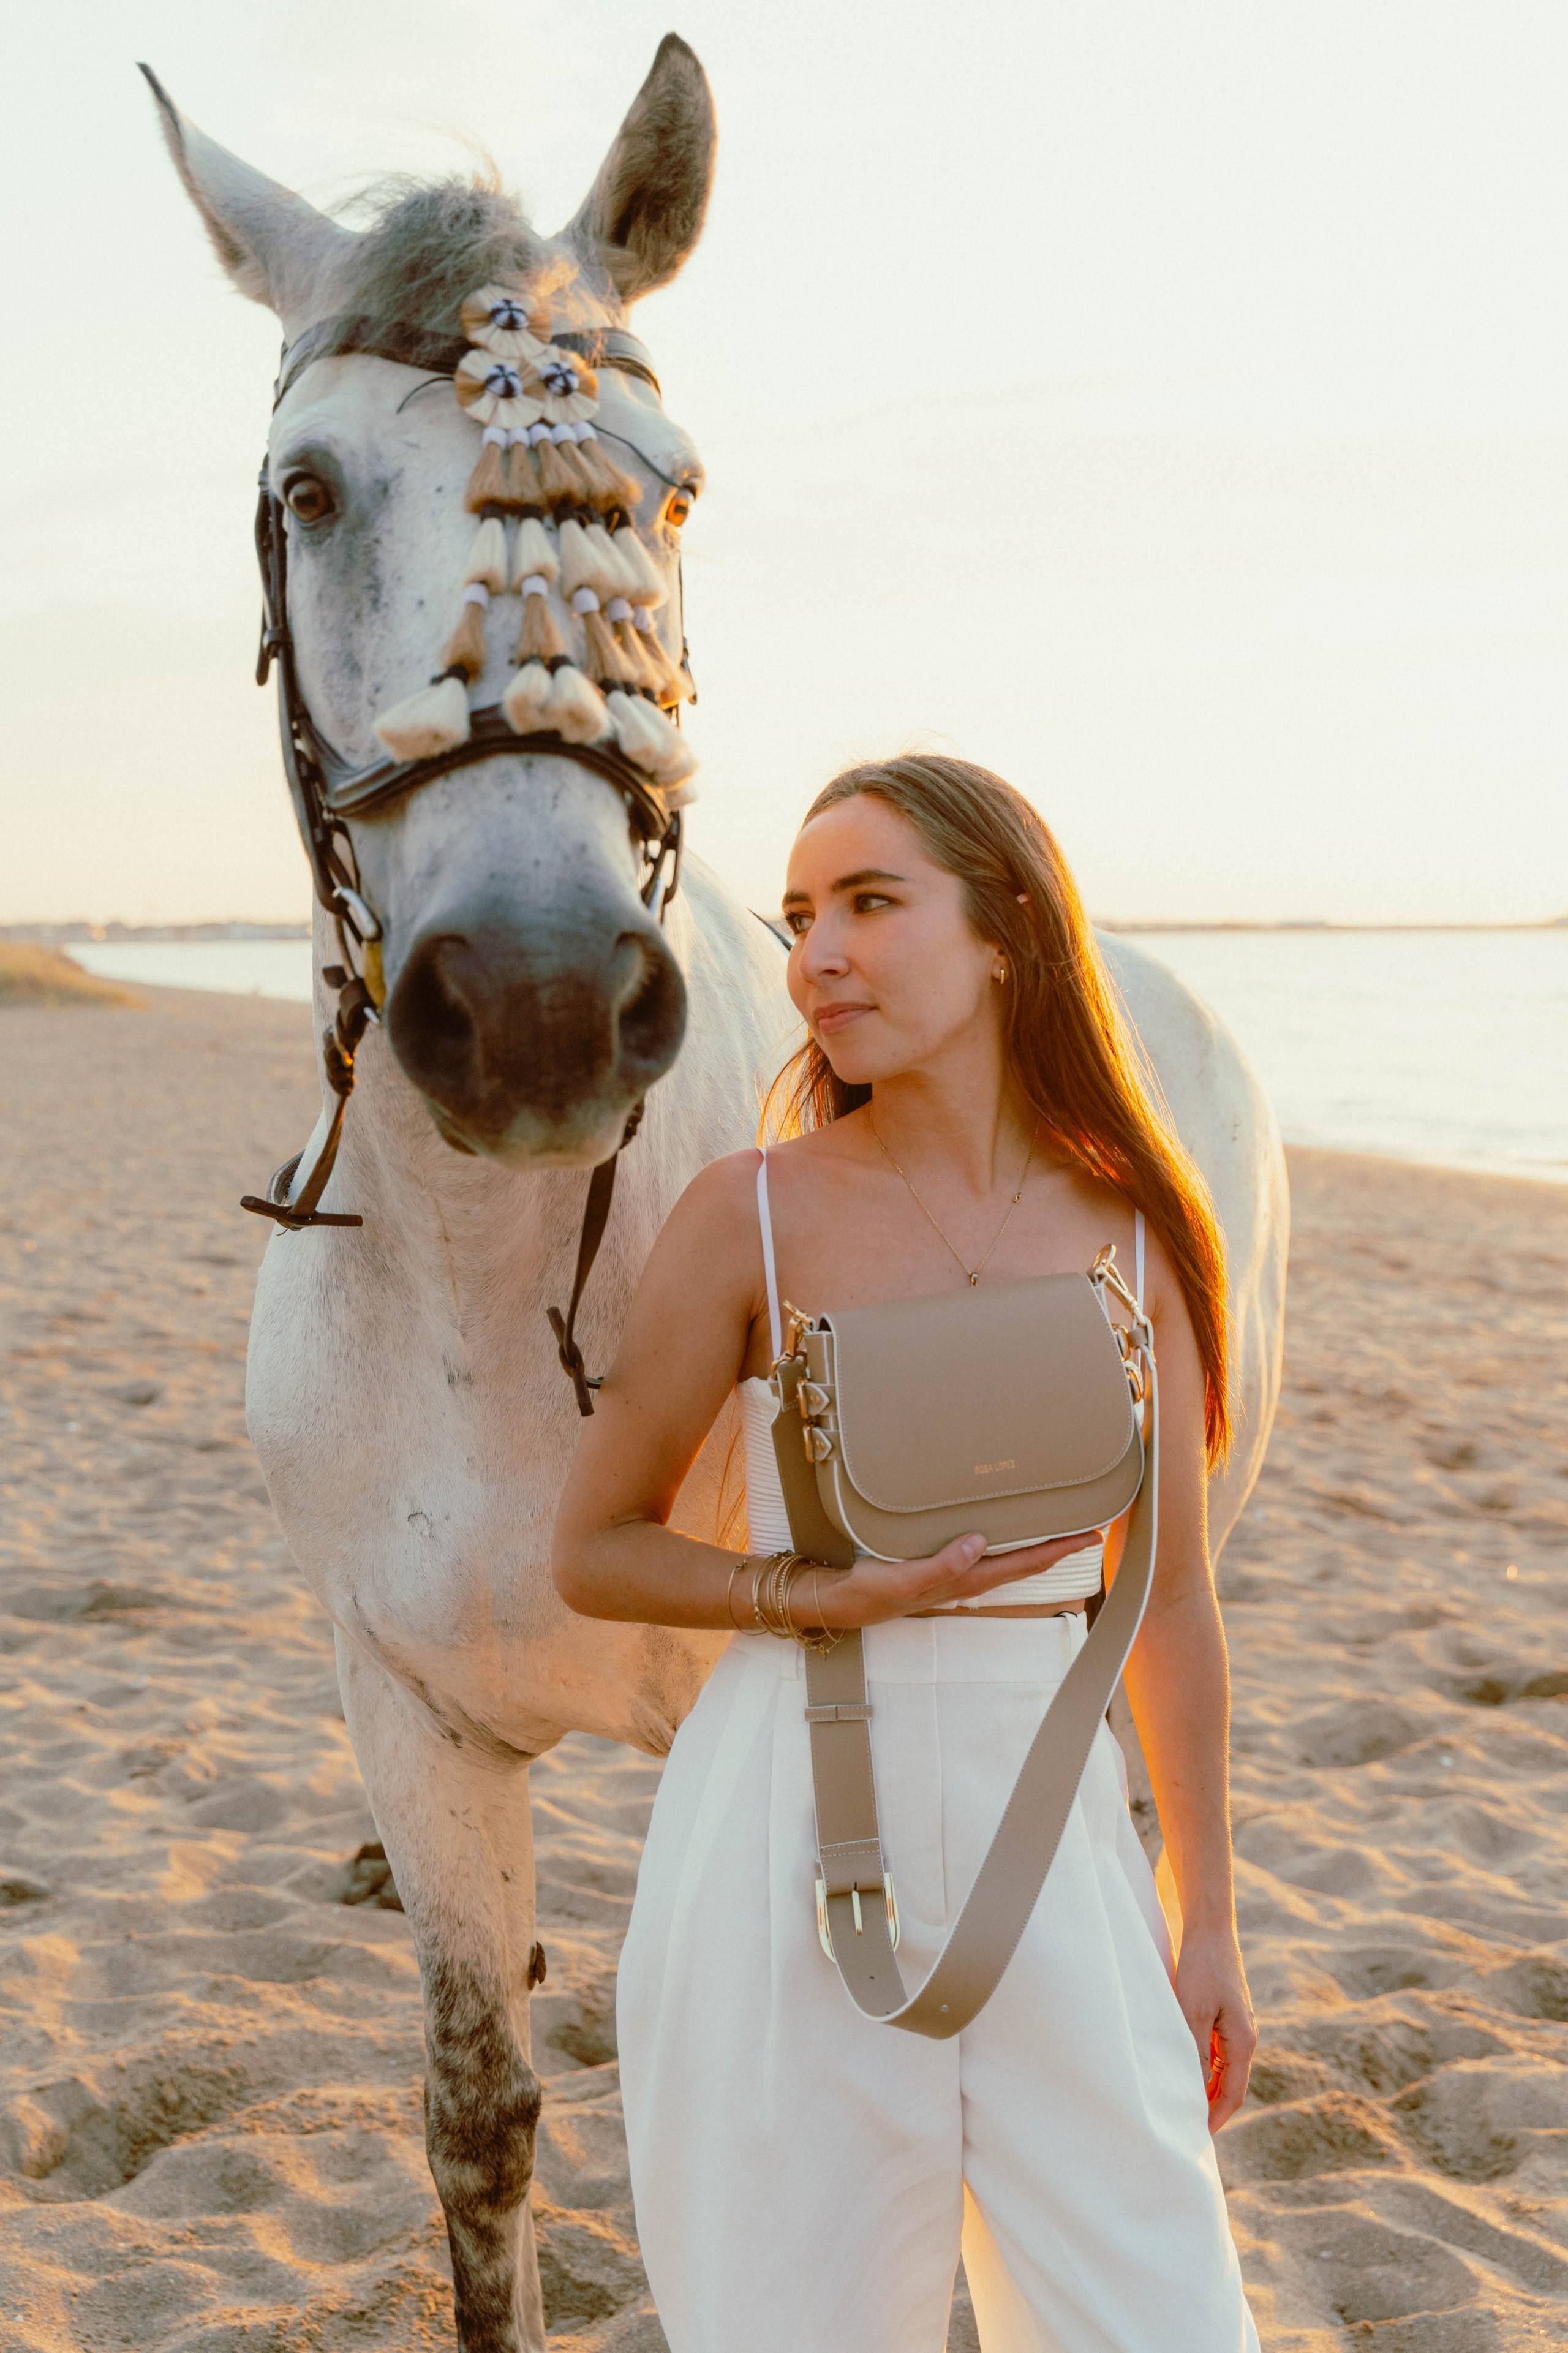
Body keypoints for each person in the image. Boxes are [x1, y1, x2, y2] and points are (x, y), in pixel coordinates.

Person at [552, 755, 1259, 2352]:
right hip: (783, 1835)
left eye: (873, 903)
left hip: (1057, 1848)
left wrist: (1204, 1912)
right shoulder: (754, 1215)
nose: (818, 955)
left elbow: (1178, 1601)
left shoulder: (1136, 1223)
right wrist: (798, 1592)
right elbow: (592, 1546)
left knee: (1161, 2320)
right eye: (801, 915)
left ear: (1006, 927)